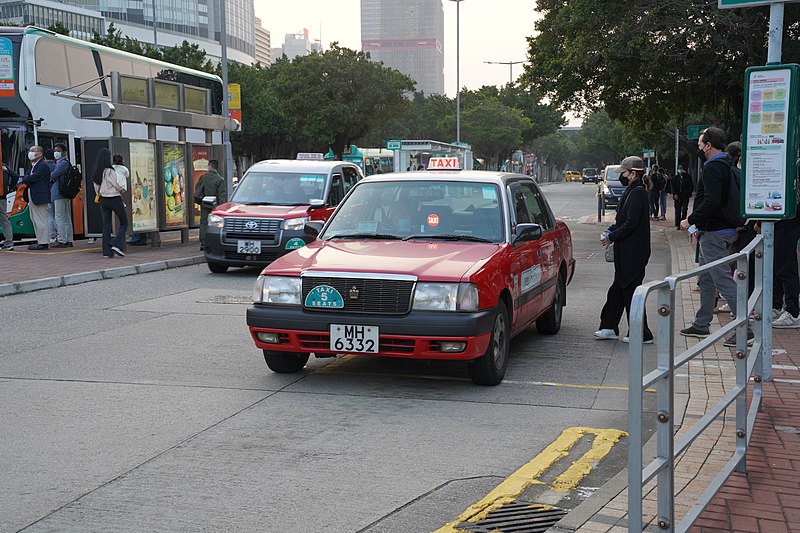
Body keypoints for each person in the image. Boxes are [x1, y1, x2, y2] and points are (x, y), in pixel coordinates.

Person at [680, 127, 753, 347]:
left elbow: (711, 201)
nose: (699, 147)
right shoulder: (727, 164)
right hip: (721, 230)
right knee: (706, 278)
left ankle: (744, 330)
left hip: (715, 232)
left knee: (721, 279)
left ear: (709, 145)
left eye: (701, 143)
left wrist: (690, 220)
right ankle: (702, 323)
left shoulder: (713, 167)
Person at [595, 156, 654, 344]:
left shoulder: (638, 193)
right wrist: (609, 231)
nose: (622, 175)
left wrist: (612, 236)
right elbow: (622, 220)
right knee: (618, 291)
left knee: (630, 292)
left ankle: (641, 333)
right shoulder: (631, 191)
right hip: (626, 252)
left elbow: (631, 224)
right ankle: (608, 327)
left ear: (633, 173)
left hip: (634, 253)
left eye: (624, 172)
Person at [92, 148, 128, 258]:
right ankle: (116, 244)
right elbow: (117, 185)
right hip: (114, 198)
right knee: (124, 222)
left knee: (106, 226)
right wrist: (122, 190)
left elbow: (96, 189)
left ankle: (106, 252)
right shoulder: (109, 171)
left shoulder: (96, 171)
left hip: (103, 200)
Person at [22, 145, 51, 250]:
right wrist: (27, 178)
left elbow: (32, 177)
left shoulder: (43, 165)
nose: (30, 153)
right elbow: (27, 177)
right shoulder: (33, 165)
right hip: (33, 194)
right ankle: (40, 240)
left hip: (40, 195)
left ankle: (44, 242)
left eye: (33, 151)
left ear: (40, 153)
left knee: (40, 218)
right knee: (34, 218)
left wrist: (27, 178)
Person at [196, 159, 226, 251]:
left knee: (204, 222)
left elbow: (197, 188)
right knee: (215, 223)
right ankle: (213, 242)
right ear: (216, 167)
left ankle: (203, 242)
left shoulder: (203, 177)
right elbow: (222, 194)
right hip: (215, 205)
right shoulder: (220, 179)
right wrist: (220, 206)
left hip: (204, 203)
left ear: (209, 166)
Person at [49, 143, 74, 247]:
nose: (56, 153)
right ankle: (69, 239)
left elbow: (53, 175)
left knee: (59, 217)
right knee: (66, 217)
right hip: (63, 193)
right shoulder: (63, 162)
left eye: (58, 150)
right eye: (55, 150)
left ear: (64, 152)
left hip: (59, 193)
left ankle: (62, 240)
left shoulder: (63, 163)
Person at [669, 165, 694, 229]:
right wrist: (675, 194)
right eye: (679, 168)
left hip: (685, 196)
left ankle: (683, 222)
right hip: (678, 196)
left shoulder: (688, 177)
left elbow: (691, 185)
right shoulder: (675, 178)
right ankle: (677, 224)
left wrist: (688, 193)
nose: (680, 170)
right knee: (678, 210)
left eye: (681, 168)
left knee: (684, 209)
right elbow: (673, 187)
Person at [0, 163, 16, 250]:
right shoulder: (4, 166)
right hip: (2, 197)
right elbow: (15, 176)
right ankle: (9, 243)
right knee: (5, 220)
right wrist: (10, 188)